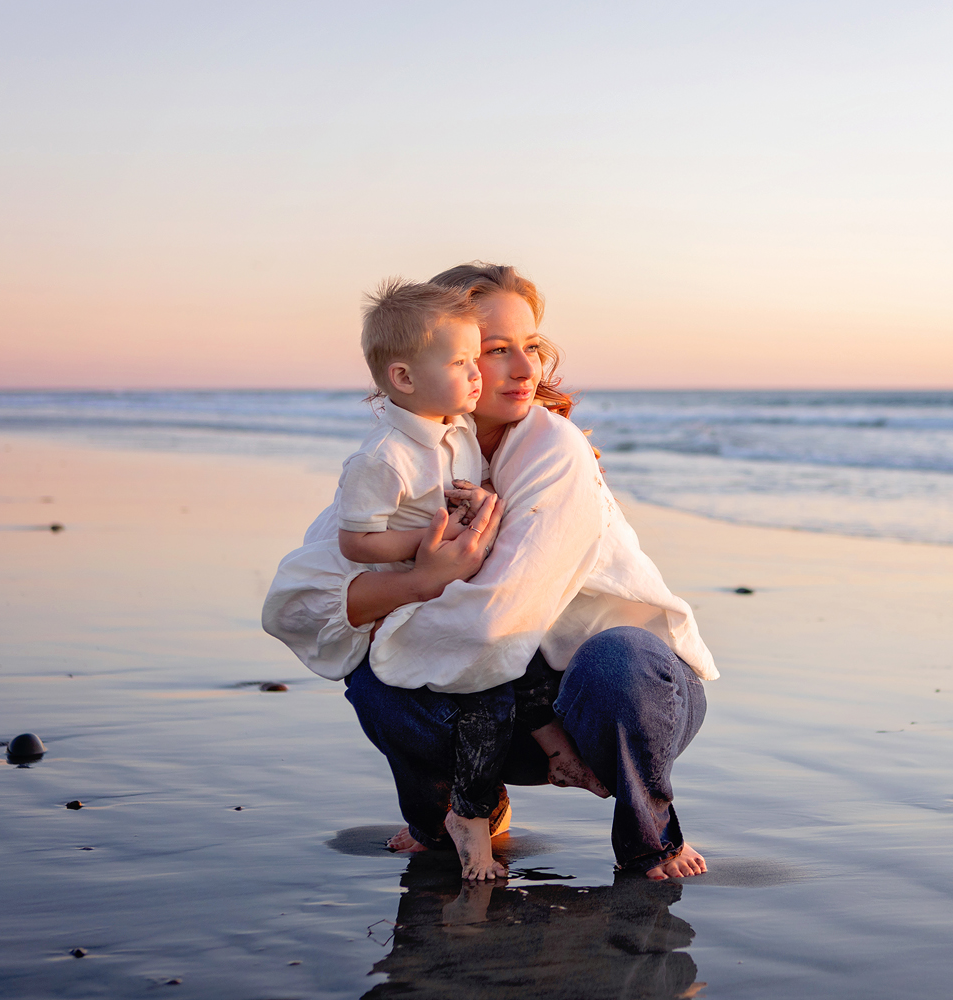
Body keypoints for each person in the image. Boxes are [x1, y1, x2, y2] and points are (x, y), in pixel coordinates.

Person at [263, 263, 718, 880]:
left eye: (531, 347)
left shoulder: (555, 449)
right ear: (428, 365)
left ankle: (651, 837)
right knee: (371, 677)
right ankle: (450, 816)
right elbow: (298, 603)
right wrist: (421, 581)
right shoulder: (407, 458)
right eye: (494, 350)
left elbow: (495, 622)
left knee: (613, 661)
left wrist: (388, 602)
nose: (525, 369)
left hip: (614, 712)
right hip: (501, 713)